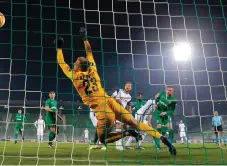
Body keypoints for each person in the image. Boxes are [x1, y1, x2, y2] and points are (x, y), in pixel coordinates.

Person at [55, 27, 176, 155]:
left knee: (103, 139)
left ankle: (126, 133)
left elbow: (62, 62)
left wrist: (59, 48)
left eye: (75, 63)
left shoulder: (74, 77)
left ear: (78, 67)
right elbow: (89, 52)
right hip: (110, 102)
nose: (74, 63)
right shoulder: (93, 70)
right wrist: (85, 38)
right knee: (137, 123)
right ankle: (165, 141)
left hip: (102, 111)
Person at [111, 83, 132, 150]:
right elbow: (111, 98)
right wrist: (116, 101)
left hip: (123, 112)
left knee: (125, 127)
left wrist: (130, 115)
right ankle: (118, 145)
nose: (127, 87)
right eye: (126, 85)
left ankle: (123, 142)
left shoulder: (129, 97)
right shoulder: (118, 91)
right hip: (116, 111)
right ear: (124, 86)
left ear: (131, 88)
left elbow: (129, 106)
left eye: (129, 86)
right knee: (118, 125)